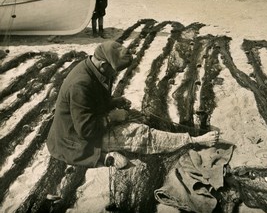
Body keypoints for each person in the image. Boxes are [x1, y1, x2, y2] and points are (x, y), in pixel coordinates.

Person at [47, 40, 220, 168]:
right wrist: (111, 117)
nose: (114, 75)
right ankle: (193, 140)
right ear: (103, 64)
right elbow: (85, 130)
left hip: (84, 126)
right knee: (138, 133)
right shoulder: (81, 84)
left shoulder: (91, 67)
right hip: (73, 140)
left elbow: (92, 103)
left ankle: (111, 154)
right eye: (114, 71)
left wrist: (113, 102)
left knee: (139, 116)